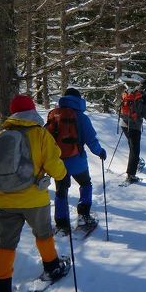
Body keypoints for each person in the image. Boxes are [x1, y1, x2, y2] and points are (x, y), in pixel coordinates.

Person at [0, 94, 70, 292]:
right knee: (43, 234)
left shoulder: (3, 136)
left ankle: (1, 289)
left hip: (5, 201)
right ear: (32, 111)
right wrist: (62, 175)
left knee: (6, 245)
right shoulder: (40, 134)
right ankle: (52, 267)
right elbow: (54, 165)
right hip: (34, 199)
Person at [45, 87, 106, 235]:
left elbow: (45, 138)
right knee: (85, 184)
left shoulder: (54, 115)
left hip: (58, 163)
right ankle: (83, 216)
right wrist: (100, 152)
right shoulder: (81, 117)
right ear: (79, 100)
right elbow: (91, 140)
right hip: (77, 161)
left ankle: (61, 224)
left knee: (61, 191)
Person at [119, 79, 146, 184]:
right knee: (135, 150)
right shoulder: (144, 97)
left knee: (132, 147)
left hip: (124, 123)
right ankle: (131, 175)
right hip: (134, 126)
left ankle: (137, 162)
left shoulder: (131, 91)